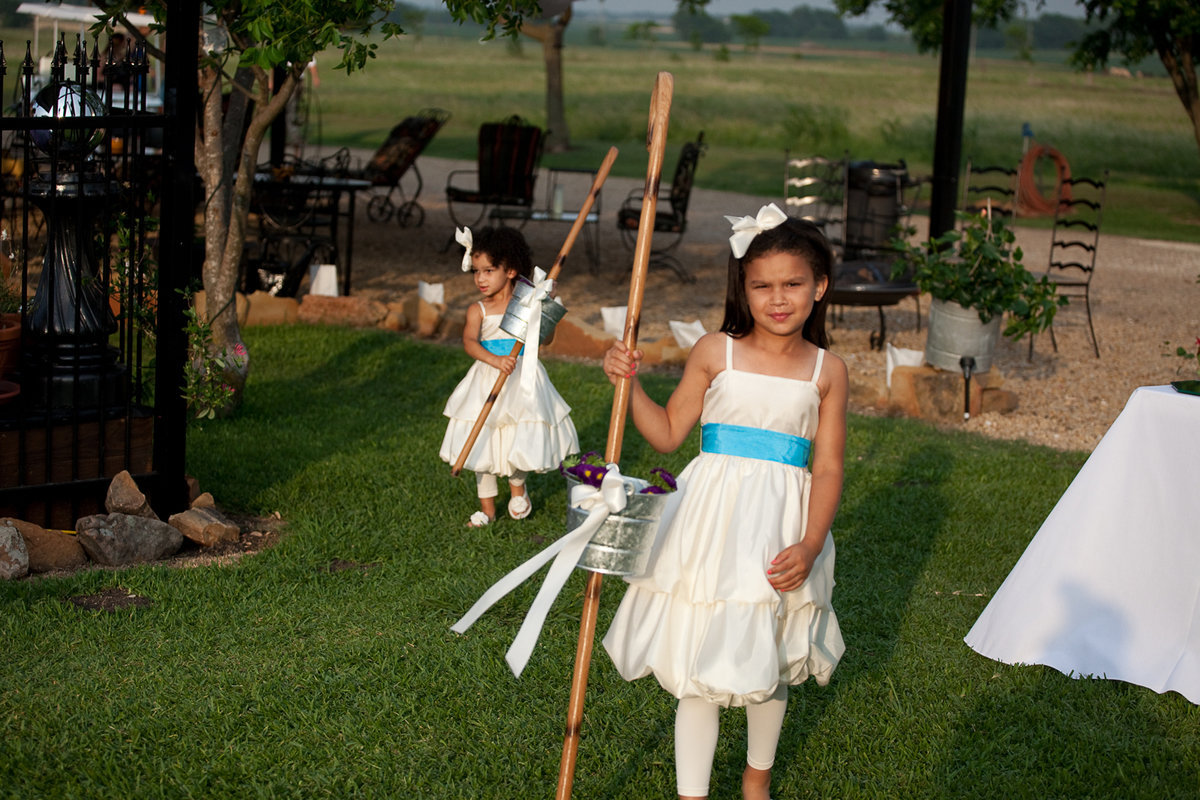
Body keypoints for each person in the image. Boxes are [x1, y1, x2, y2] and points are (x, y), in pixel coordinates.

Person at [601, 204, 847, 800]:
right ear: (743, 288)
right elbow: (665, 435)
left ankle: (756, 778)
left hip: (782, 524)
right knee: (700, 663)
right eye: (762, 285)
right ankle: (693, 794)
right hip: (710, 524)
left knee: (773, 652)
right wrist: (629, 384)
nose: (777, 298)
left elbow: (830, 465)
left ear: (820, 287)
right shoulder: (716, 352)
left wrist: (811, 544)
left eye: (792, 284)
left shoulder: (828, 370)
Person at [440, 226, 579, 528]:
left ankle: (518, 488)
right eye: (476, 271)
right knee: (484, 439)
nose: (480, 279)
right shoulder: (478, 310)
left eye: (489, 271)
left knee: (517, 433)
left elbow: (546, 341)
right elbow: (469, 342)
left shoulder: (527, 305)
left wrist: (547, 309)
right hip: (487, 378)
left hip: (521, 378)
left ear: (512, 270)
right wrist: (494, 360)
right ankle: (487, 510)